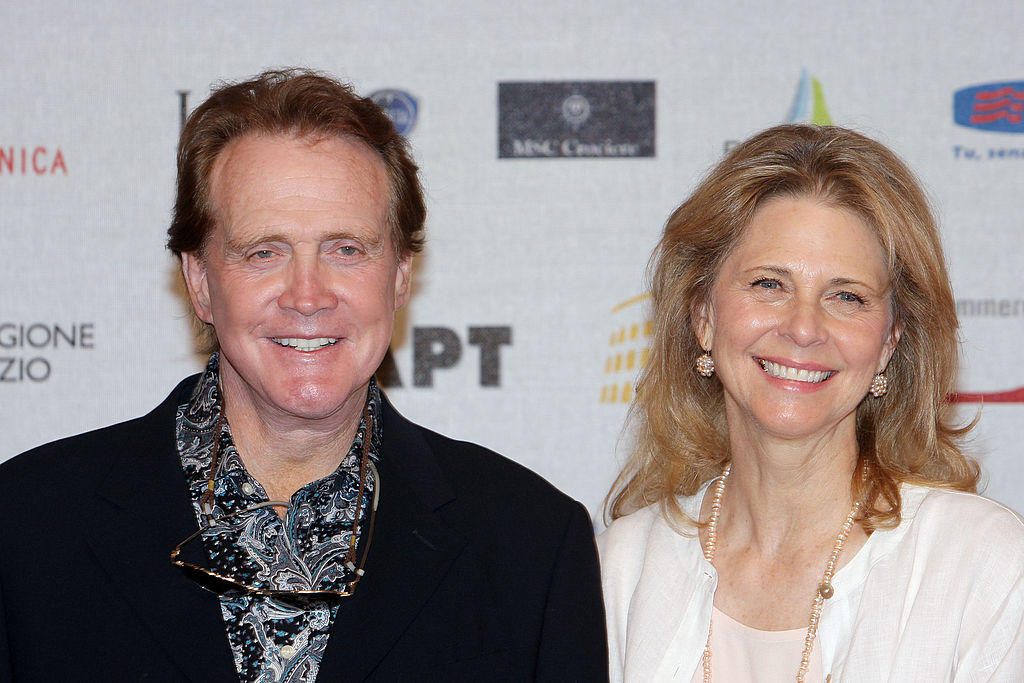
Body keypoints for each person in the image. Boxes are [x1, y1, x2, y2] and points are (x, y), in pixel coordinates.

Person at [0, 69, 607, 682]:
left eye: (346, 249)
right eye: (264, 251)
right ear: (201, 281)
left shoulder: (530, 542)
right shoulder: (25, 527)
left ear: (399, 275)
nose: (308, 295)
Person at [598, 124, 1024, 681]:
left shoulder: (981, 563)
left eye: (847, 296)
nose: (803, 328)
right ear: (702, 315)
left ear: (890, 340)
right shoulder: (622, 569)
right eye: (769, 284)